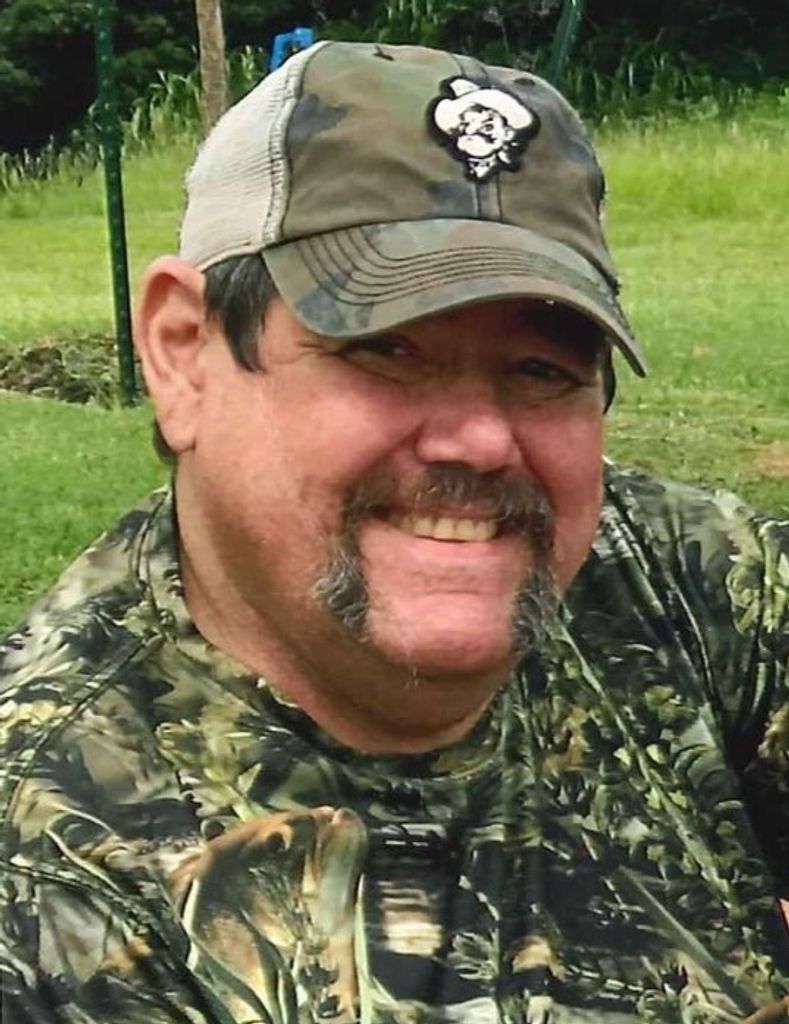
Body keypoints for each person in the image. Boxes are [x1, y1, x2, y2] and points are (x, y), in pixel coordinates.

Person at [1, 39, 787, 1024]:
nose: (482, 440)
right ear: (184, 354)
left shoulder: (668, 573)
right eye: (386, 349)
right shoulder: (49, 881)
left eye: (541, 369)